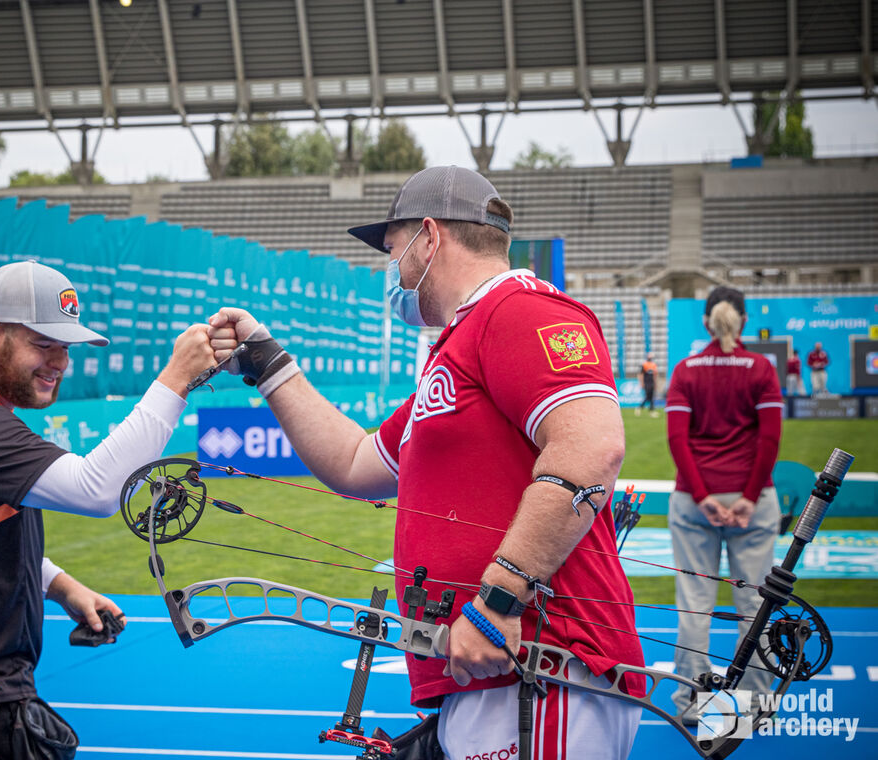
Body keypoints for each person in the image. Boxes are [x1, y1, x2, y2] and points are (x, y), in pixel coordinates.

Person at [208, 166, 643, 758]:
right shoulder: (461, 345)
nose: (392, 270)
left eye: (394, 250)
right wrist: (267, 362)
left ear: (430, 238)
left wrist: (497, 603)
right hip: (494, 666)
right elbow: (356, 462)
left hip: (540, 664)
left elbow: (592, 448)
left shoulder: (523, 312)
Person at [0, 260, 215, 759]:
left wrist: (61, 586)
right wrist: (177, 377)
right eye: (44, 344)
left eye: (65, 347)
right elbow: (97, 490)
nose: (59, 361)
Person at [664, 286, 783, 720]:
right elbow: (769, 439)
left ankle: (692, 704)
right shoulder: (760, 368)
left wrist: (704, 498)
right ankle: (754, 707)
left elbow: (677, 439)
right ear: (745, 319)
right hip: (751, 501)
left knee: (694, 603)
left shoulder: (687, 369)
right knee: (755, 605)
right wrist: (748, 498)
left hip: (696, 501)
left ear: (706, 322)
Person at [637, 352, 660, 416]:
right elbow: (641, 374)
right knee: (648, 397)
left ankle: (651, 411)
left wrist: (655, 383)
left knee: (652, 397)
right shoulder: (644, 365)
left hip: (651, 382)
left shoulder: (654, 365)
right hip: (646, 382)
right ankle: (640, 407)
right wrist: (641, 383)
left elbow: (655, 375)